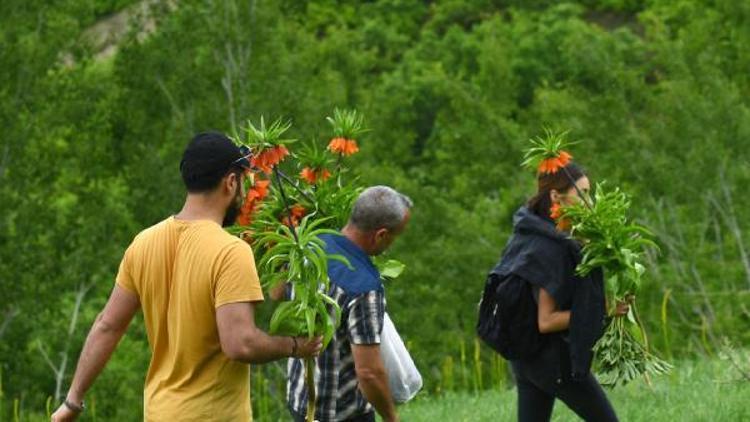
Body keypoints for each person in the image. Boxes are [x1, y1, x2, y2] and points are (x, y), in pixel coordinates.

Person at [51, 132, 322, 422]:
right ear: (230, 182)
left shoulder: (143, 243)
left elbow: (108, 325)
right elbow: (240, 343)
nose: (243, 194)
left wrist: (72, 401)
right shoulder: (230, 251)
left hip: (158, 412)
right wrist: (294, 346)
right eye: (242, 181)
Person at [493, 162, 628, 422]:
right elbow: (547, 320)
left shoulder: (531, 231)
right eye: (583, 194)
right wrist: (605, 310)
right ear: (557, 196)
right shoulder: (550, 248)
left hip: (525, 357)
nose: (590, 202)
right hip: (551, 360)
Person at [274, 185, 412, 422]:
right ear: (380, 235)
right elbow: (368, 373)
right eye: (394, 237)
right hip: (341, 412)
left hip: (301, 399)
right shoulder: (363, 286)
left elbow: (275, 292)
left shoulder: (309, 242)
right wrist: (391, 417)